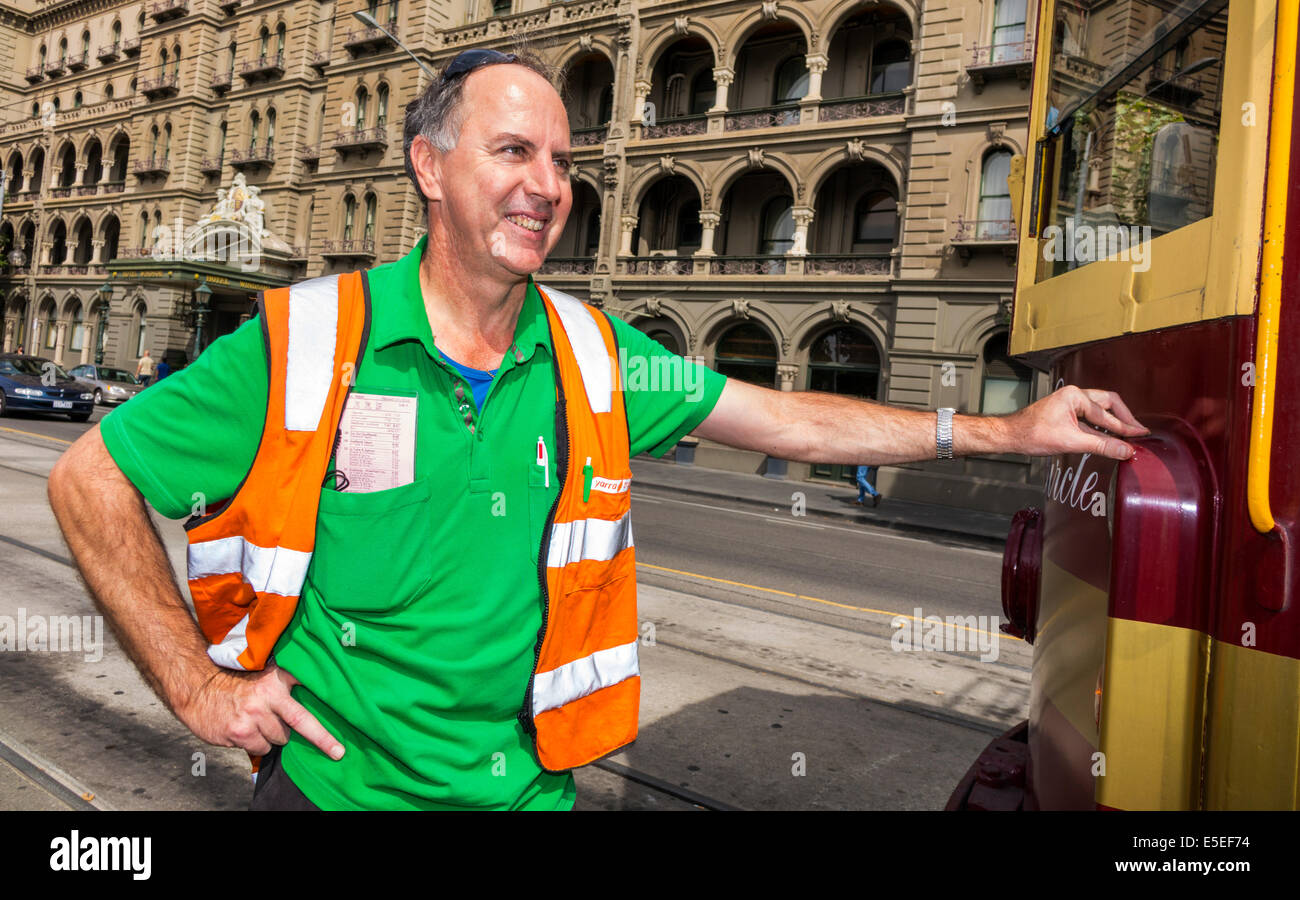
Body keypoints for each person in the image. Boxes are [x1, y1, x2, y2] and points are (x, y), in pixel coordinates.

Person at [46, 46, 1148, 811]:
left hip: (531, 793)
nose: (548, 186)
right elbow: (88, 478)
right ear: (430, 167)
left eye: (563, 162)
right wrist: (198, 685)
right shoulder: (304, 338)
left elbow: (786, 417)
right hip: (334, 793)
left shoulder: (593, 350)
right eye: (514, 152)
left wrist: (1001, 434)